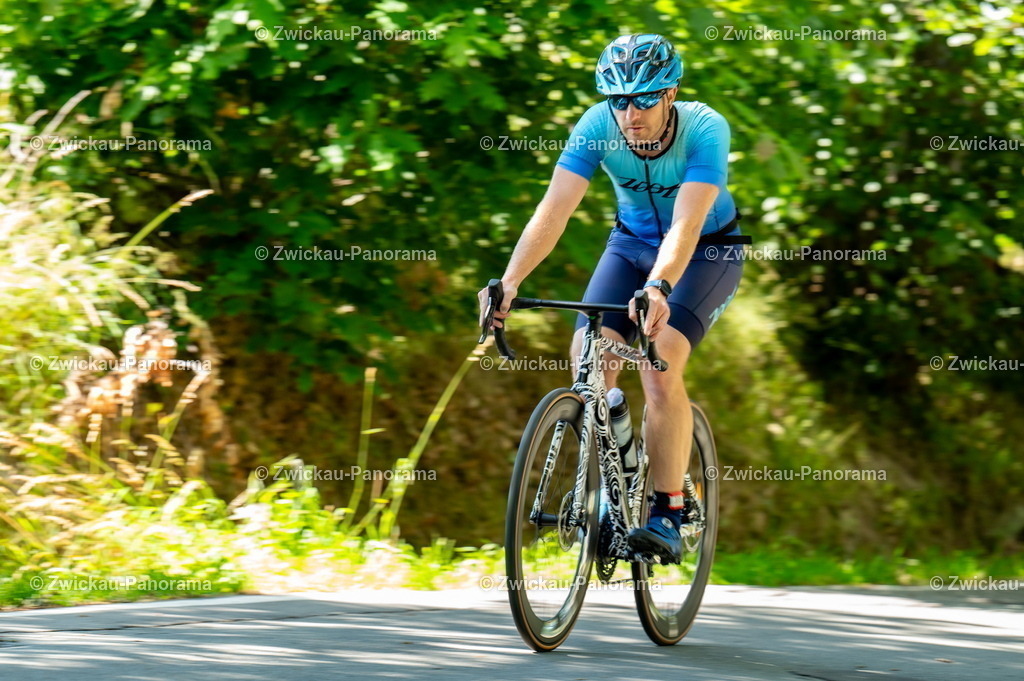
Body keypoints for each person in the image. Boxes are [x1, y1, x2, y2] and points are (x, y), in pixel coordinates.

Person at [478, 33, 744, 562]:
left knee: (660, 360)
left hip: (706, 252)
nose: (630, 114)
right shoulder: (597, 125)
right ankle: (615, 452)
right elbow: (554, 209)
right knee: (587, 356)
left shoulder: (705, 128)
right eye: (618, 99)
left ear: (670, 93)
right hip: (629, 245)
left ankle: (668, 511)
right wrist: (509, 282)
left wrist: (659, 287)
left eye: (643, 98)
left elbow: (687, 225)